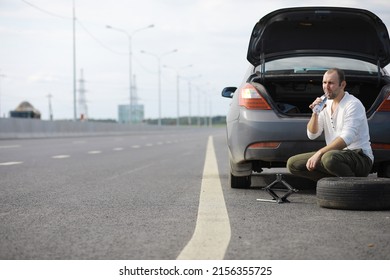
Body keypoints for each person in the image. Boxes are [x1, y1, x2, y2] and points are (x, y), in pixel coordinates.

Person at [287, 68, 374, 181]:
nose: (326, 87)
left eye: (331, 83)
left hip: (360, 157)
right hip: (335, 156)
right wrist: (315, 113)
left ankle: (353, 185)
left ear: (342, 85)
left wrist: (320, 152)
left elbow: (347, 138)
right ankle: (331, 184)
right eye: (324, 82)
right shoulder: (325, 103)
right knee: (293, 164)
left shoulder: (353, 104)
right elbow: (312, 135)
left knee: (329, 158)